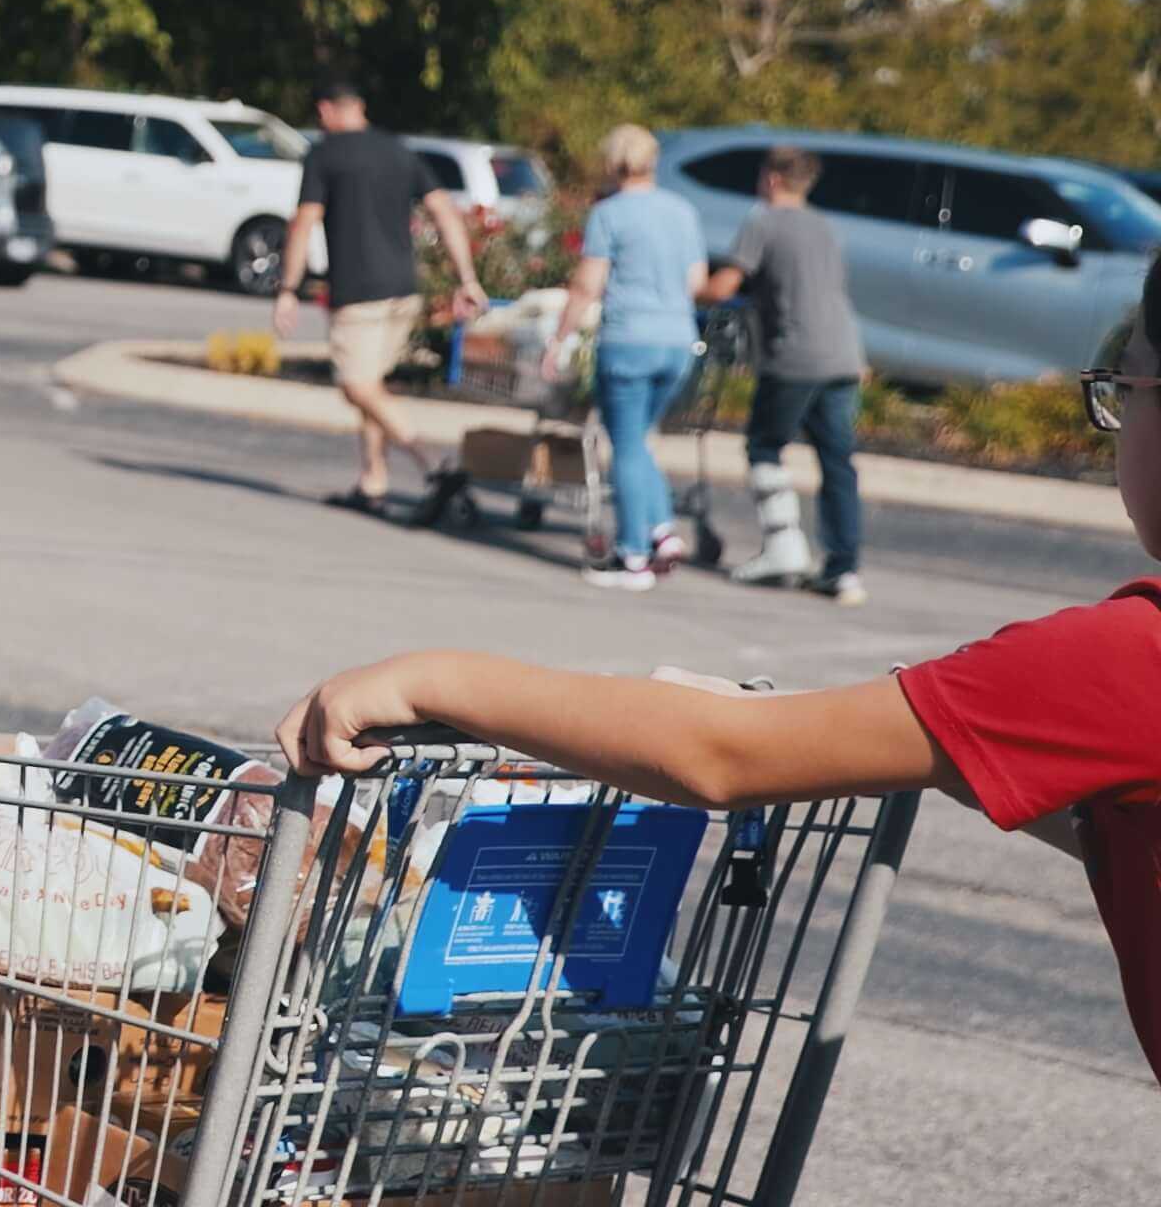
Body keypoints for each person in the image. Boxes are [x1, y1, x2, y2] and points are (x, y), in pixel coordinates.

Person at [275, 255, 1161, 1083]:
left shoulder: (1128, 655)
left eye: (1123, 393)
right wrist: (950, 752)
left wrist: (434, 678)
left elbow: (721, 756)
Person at [276, 82, 486, 511]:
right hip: (402, 291)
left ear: (326, 110)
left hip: (358, 291)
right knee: (373, 382)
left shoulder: (325, 154)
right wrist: (467, 277)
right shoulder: (398, 151)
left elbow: (304, 221)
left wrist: (287, 288)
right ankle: (373, 480)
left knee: (356, 385)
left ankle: (437, 464)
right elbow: (445, 210)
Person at [704, 145, 869, 604]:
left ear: (773, 179)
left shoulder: (763, 220)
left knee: (764, 445)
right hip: (841, 352)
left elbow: (724, 286)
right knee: (837, 460)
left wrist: (691, 290)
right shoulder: (825, 227)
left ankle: (784, 547)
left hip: (794, 354)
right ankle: (843, 568)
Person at [558, 122, 717, 590]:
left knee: (624, 445)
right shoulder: (682, 212)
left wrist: (561, 335)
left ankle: (632, 556)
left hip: (629, 339)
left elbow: (588, 282)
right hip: (677, 341)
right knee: (640, 439)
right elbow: (695, 281)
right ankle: (661, 528)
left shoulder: (609, 214)